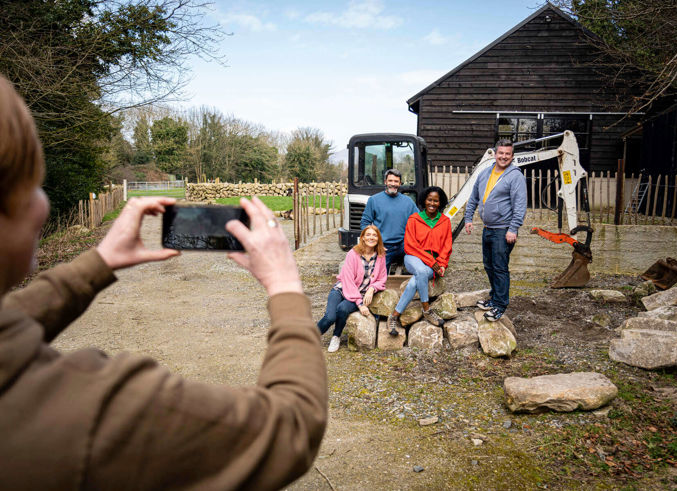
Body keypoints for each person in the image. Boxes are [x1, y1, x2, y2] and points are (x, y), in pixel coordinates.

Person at [0, 74, 327, 490]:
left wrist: (98, 262)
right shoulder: (91, 409)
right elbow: (292, 427)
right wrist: (284, 285)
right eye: (30, 186)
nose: (43, 204)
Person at [464, 139, 527, 321]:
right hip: (488, 228)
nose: (504, 157)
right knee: (489, 265)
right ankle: (494, 298)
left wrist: (513, 228)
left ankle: (500, 305)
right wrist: (468, 218)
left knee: (500, 268)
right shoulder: (485, 173)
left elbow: (520, 205)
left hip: (503, 230)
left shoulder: (515, 177)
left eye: (508, 154)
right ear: (495, 153)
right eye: (501, 153)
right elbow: (474, 197)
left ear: (512, 156)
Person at [387, 186, 452, 336]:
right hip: (413, 257)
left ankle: (394, 315)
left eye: (436, 201)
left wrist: (441, 264)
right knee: (421, 271)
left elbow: (446, 246)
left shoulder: (445, 222)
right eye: (429, 200)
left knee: (414, 282)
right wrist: (433, 263)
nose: (432, 203)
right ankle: (427, 309)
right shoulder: (414, 219)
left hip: (434, 262)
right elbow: (411, 246)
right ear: (424, 200)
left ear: (440, 203)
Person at [318, 225, 387, 352]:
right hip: (342, 289)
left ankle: (336, 336)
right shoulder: (353, 254)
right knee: (330, 317)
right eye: (368, 235)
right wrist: (360, 304)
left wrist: (372, 288)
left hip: (358, 293)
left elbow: (382, 279)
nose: (371, 237)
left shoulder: (381, 256)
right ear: (363, 238)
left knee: (342, 308)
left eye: (374, 235)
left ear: (378, 239)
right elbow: (348, 281)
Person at [360, 169, 419, 273]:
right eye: (390, 181)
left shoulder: (408, 201)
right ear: (385, 182)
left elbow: (419, 222)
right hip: (384, 246)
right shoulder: (374, 200)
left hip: (404, 245)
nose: (393, 184)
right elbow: (365, 223)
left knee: (418, 268)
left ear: (400, 183)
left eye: (396, 181)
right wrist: (374, 243)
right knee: (379, 276)